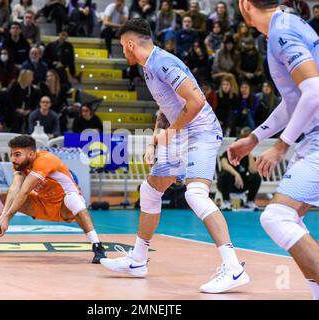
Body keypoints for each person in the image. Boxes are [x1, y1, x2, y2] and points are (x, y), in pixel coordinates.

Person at [99, 18, 250, 294]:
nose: (123, 52)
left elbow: (197, 101)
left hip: (201, 131)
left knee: (195, 195)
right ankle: (137, 260)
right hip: (179, 134)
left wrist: (171, 133)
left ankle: (233, 268)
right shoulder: (147, 69)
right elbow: (165, 109)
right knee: (149, 191)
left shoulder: (163, 62)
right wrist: (156, 141)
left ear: (131, 44)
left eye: (123, 47)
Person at [229, 0, 319, 300]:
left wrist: (280, 147)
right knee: (288, 219)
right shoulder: (285, 26)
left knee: (276, 217)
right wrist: (253, 138)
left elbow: (314, 92)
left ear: (245, 5)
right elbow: (294, 101)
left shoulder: (283, 33)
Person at [0, 135, 107, 264]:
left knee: (72, 198)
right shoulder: (19, 165)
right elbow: (15, 188)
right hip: (42, 204)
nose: (13, 159)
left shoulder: (45, 160)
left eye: (17, 154)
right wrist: (3, 215)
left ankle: (97, 246)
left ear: (31, 154)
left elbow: (24, 191)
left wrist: (7, 217)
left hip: (64, 207)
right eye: (12, 154)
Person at [217, 127, 261, 211]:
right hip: (227, 184)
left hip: (241, 185)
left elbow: (253, 170)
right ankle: (226, 202)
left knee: (256, 177)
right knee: (224, 175)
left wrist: (249, 153)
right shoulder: (227, 153)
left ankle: (249, 202)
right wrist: (236, 174)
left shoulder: (247, 155)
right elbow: (224, 165)